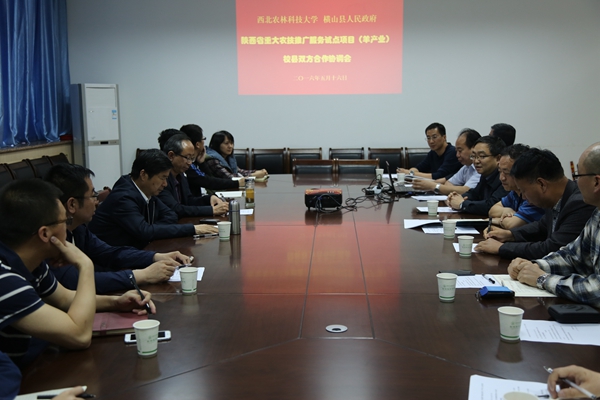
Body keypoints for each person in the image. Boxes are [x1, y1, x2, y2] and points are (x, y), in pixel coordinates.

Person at [0, 180, 154, 399]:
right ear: (45, 234)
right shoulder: (5, 280)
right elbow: (79, 335)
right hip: (20, 383)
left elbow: (64, 299)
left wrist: (115, 302)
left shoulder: (30, 262)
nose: (68, 227)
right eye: (65, 221)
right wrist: (85, 265)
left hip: (31, 368)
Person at [44, 163, 189, 293]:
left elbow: (110, 253)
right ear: (72, 205)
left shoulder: (78, 229)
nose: (97, 201)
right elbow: (75, 282)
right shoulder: (51, 239)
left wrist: (155, 257)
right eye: (93, 195)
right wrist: (142, 275)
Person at [507, 142, 600, 305]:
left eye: (578, 175)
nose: (576, 182)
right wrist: (534, 266)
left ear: (596, 182)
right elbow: (572, 256)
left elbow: (597, 291)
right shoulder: (597, 214)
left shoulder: (580, 204)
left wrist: (542, 279)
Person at [88, 149, 218, 249]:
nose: (165, 184)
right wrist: (193, 229)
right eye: (162, 178)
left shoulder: (146, 191)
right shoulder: (123, 197)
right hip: (112, 261)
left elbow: (170, 214)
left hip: (137, 250)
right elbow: (144, 231)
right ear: (143, 175)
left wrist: (152, 228)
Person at [483, 148, 595, 260]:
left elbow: (554, 248)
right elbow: (541, 227)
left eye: (524, 191)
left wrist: (502, 248)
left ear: (542, 184)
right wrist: (510, 234)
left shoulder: (580, 203)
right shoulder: (555, 198)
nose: (524, 197)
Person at [475, 145, 545, 255]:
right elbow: (492, 210)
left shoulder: (533, 195)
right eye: (500, 171)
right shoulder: (515, 192)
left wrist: (497, 220)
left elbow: (512, 224)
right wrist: (507, 211)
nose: (501, 178)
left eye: (507, 173)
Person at [158, 133, 229, 218]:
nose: (190, 163)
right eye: (187, 158)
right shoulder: (161, 179)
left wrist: (209, 198)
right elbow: (175, 209)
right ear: (171, 156)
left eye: (192, 158)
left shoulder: (181, 175)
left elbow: (189, 201)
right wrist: (211, 210)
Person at [446, 136, 509, 215]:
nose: (476, 161)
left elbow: (491, 205)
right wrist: (456, 197)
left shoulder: (505, 178)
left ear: (498, 158)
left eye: (482, 156)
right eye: (473, 156)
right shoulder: (486, 174)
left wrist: (462, 204)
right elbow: (474, 194)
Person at [178, 124, 246, 195]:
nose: (230, 146)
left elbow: (207, 179)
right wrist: (237, 183)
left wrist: (202, 163)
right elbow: (209, 182)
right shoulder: (188, 164)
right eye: (203, 139)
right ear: (198, 144)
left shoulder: (196, 160)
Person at [411, 128, 481, 195]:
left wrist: (434, 186)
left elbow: (466, 190)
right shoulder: (466, 167)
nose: (457, 155)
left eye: (460, 151)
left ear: (473, 149)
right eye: (456, 151)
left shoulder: (480, 168)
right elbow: (449, 183)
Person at [397, 122, 462, 180]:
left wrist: (410, 173)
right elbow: (419, 168)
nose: (431, 141)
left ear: (444, 137)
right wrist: (410, 172)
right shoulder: (433, 153)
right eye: (428, 138)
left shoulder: (453, 152)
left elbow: (439, 176)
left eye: (434, 137)